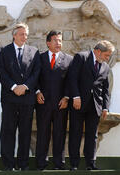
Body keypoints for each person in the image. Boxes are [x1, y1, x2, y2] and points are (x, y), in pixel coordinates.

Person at [0, 23, 41, 171]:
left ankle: (23, 164)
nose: (25, 37)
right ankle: (8, 165)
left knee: (25, 132)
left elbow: (36, 73)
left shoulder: (34, 52)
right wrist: (14, 87)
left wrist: (25, 86)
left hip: (27, 99)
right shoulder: (3, 51)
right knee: (8, 132)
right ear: (14, 35)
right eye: (22, 34)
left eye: (26, 34)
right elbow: (1, 72)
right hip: (9, 98)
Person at [68, 40, 115, 171]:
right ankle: (74, 164)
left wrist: (105, 107)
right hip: (78, 103)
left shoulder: (105, 67)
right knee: (75, 133)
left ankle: (90, 163)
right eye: (106, 55)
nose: (107, 58)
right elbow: (72, 78)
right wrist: (75, 97)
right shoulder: (81, 57)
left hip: (95, 106)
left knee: (92, 135)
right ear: (98, 51)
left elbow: (106, 90)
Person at [35, 30, 72, 170]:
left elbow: (71, 81)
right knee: (42, 134)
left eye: (60, 40)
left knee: (59, 134)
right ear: (48, 42)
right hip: (42, 103)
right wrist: (37, 92)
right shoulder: (39, 58)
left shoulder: (69, 59)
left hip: (60, 104)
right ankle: (41, 164)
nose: (58, 43)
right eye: (55, 40)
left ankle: (59, 164)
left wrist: (67, 97)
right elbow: (34, 77)